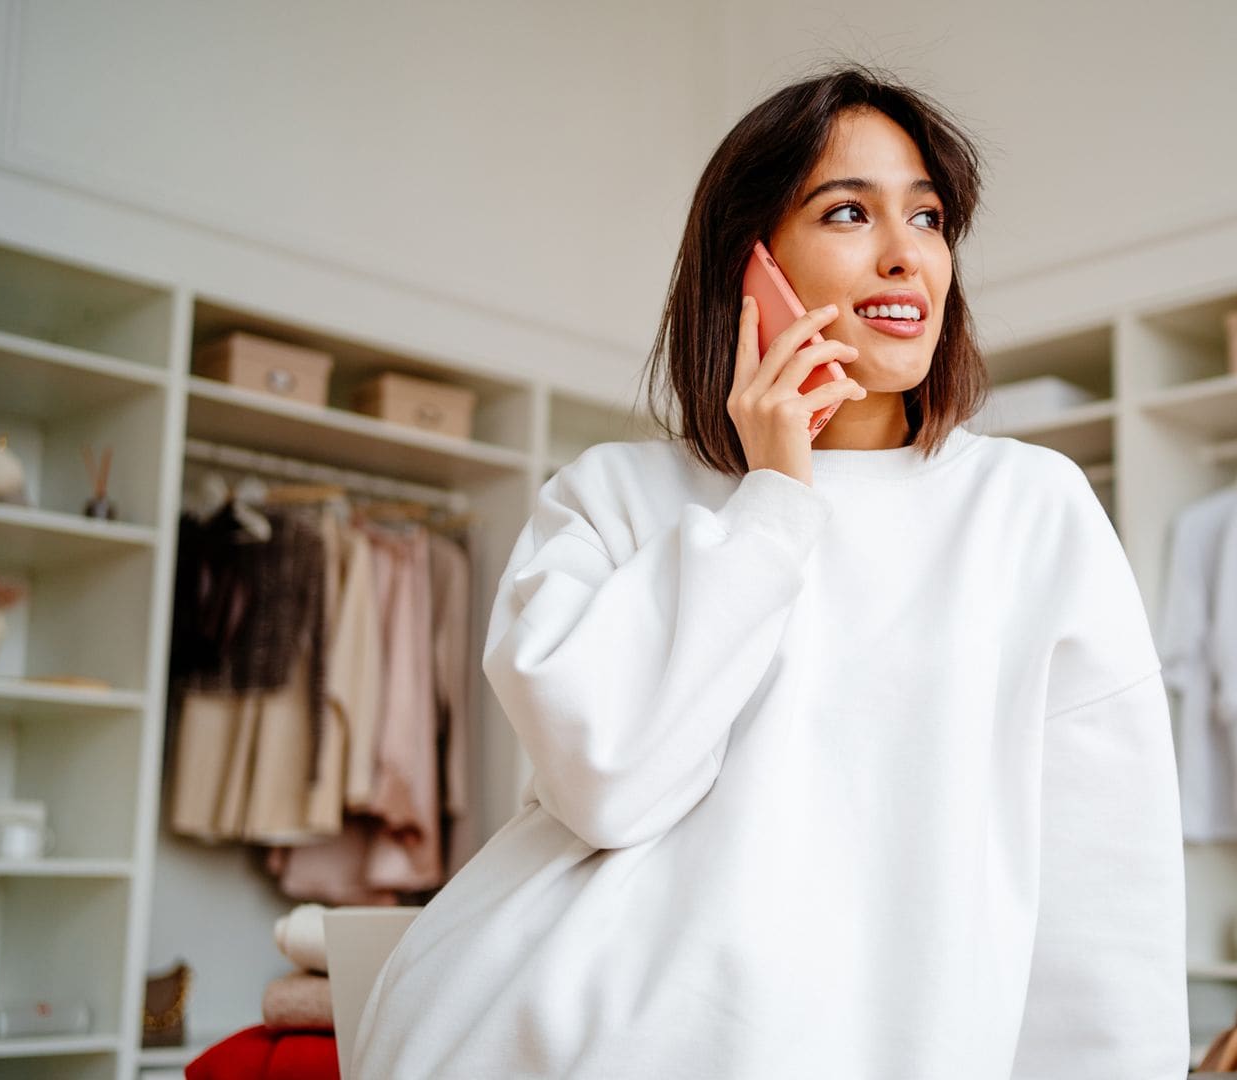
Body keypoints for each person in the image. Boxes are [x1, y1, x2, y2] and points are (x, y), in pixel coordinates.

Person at [352, 61, 1189, 1079]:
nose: (905, 256)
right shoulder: (608, 494)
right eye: (848, 213)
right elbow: (605, 786)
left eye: (928, 219)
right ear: (749, 262)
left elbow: (1109, 881)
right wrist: (774, 502)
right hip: (560, 1037)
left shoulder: (1030, 506)